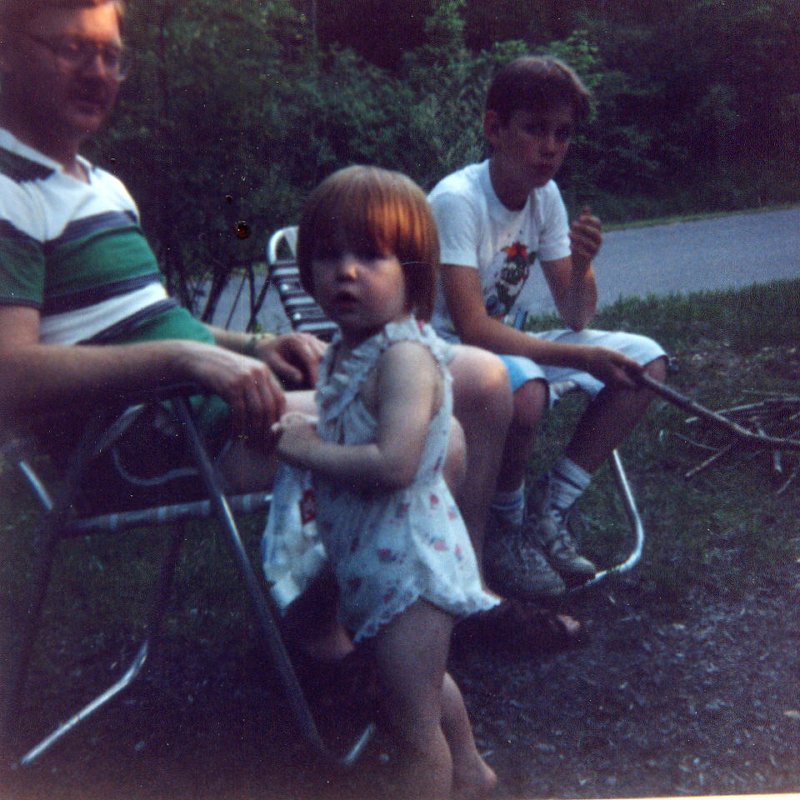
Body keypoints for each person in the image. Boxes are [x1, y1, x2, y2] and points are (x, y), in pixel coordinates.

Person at [269, 164, 498, 800]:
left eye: (371, 256)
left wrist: (305, 448)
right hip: (373, 562)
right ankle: (474, 771)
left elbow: (394, 464)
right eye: (329, 255)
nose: (346, 271)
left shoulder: (405, 357)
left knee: (410, 723)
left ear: (415, 272)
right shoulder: (348, 348)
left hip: (412, 569)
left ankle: (442, 775)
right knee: (420, 684)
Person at [428, 55, 669, 600]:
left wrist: (582, 267)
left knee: (646, 362)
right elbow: (470, 327)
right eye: (535, 129)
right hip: (441, 352)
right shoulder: (457, 200)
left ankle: (548, 508)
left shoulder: (546, 197)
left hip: (500, 348)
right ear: (495, 128)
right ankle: (505, 532)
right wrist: (578, 359)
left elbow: (576, 316)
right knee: (528, 393)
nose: (551, 147)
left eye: (562, 133)